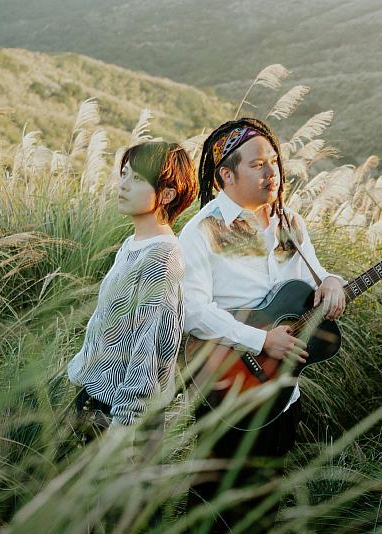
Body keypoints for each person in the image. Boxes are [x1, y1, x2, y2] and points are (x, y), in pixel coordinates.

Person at [179, 118, 346, 527]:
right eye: (258, 164)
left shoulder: (289, 222)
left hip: (284, 390)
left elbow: (314, 277)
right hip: (226, 387)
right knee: (216, 507)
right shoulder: (203, 230)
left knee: (263, 502)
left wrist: (332, 281)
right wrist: (260, 340)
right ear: (226, 175)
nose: (272, 171)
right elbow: (193, 311)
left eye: (274, 160)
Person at [68, 141, 198, 438]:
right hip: (96, 402)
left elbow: (148, 350)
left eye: (137, 179)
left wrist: (122, 428)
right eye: (124, 174)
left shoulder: (161, 258)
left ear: (166, 194)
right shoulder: (134, 244)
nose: (123, 185)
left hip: (122, 421)